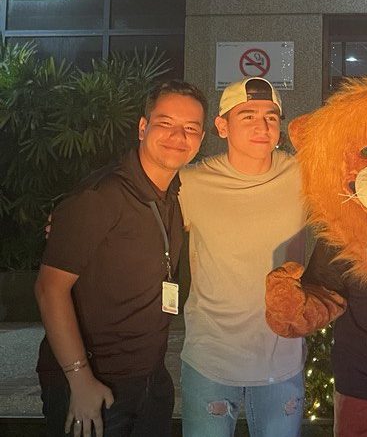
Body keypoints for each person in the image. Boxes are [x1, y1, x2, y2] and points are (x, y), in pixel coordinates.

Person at [35, 80, 208, 437]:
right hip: (93, 383)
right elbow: (49, 290)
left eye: (190, 128)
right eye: (166, 123)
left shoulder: (175, 193)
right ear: (143, 127)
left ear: (202, 138)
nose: (179, 135)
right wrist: (80, 379)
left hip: (150, 380)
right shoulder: (102, 196)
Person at [178, 77, 308, 437]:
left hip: (281, 359)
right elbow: (132, 218)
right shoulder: (190, 184)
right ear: (222, 125)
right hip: (211, 359)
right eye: (247, 116)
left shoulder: (304, 175)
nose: (262, 127)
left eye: (271, 117)